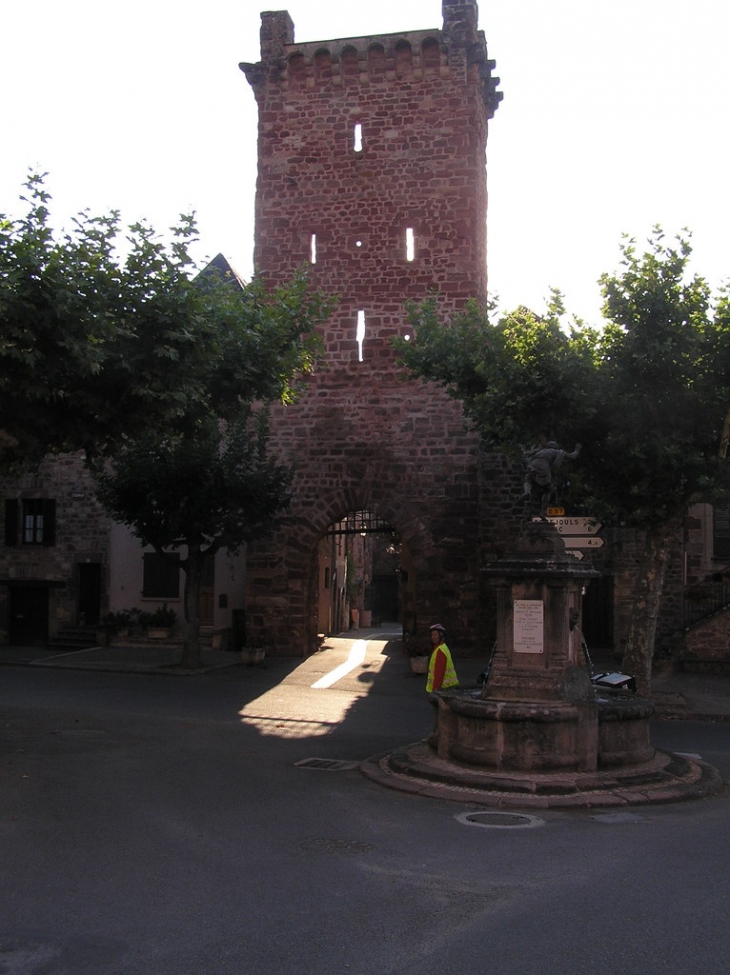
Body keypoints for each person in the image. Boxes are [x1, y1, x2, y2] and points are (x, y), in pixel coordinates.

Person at [425, 623, 459, 693]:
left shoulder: (440, 651)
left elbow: (439, 673)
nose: (432, 637)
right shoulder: (442, 648)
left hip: (443, 689)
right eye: (432, 635)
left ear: (441, 636)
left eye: (435, 635)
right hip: (448, 687)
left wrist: (435, 690)